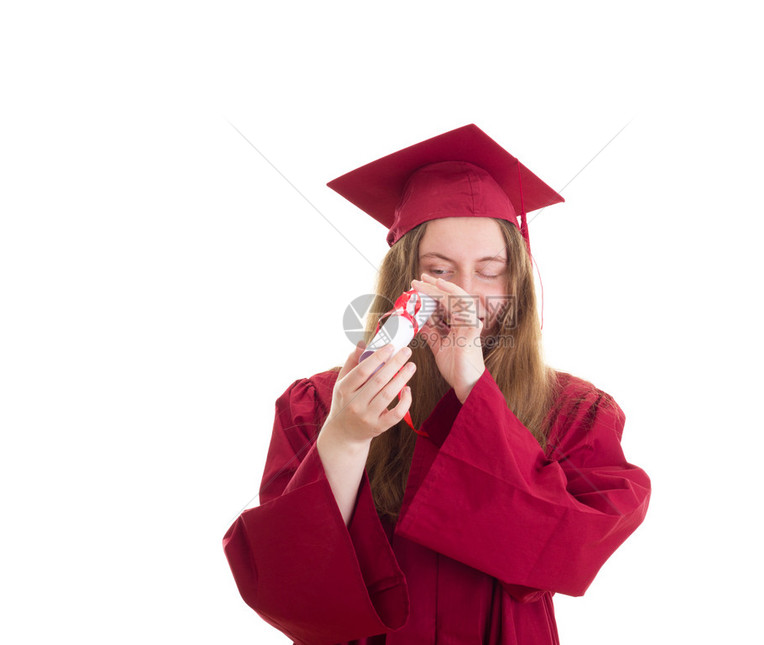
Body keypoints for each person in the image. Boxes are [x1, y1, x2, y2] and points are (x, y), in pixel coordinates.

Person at [222, 124, 651, 644]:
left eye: (489, 270)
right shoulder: (319, 403)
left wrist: (473, 383)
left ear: (517, 282)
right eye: (438, 269)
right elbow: (285, 587)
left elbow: (573, 549)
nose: (462, 295)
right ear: (404, 282)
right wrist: (345, 437)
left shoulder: (575, 411)